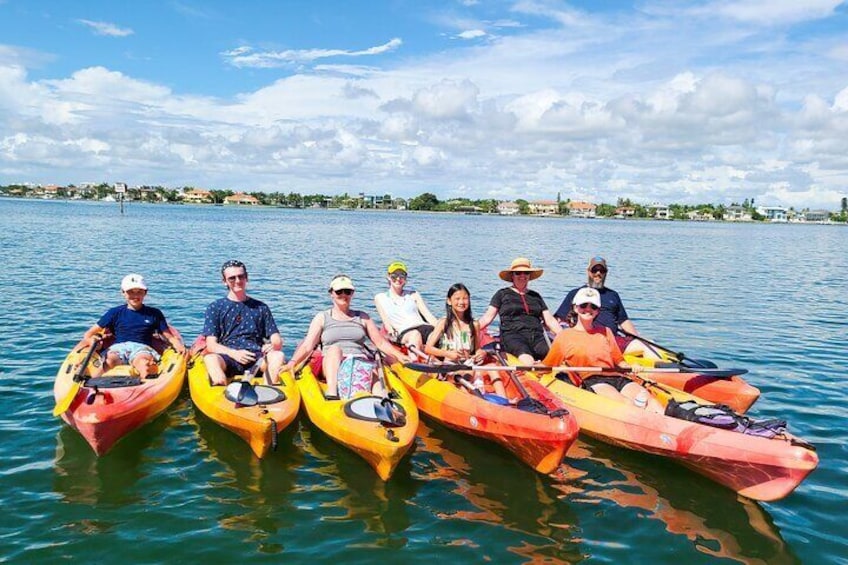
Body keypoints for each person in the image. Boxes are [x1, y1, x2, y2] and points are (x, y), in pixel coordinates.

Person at [283, 274, 412, 399]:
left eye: (347, 291)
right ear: (331, 294)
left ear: (352, 294)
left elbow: (381, 343)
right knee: (335, 349)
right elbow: (307, 345)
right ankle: (333, 393)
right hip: (331, 362)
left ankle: (382, 401)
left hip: (358, 361)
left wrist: (400, 356)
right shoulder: (322, 317)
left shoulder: (362, 317)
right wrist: (292, 363)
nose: (344, 295)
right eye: (339, 292)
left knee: (372, 372)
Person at [543, 287, 663, 413]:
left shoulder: (606, 332)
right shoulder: (564, 336)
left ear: (597, 311)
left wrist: (631, 366)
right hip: (593, 380)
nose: (588, 309)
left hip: (617, 376)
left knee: (651, 402)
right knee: (626, 404)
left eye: (593, 307)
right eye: (583, 305)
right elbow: (548, 365)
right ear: (575, 308)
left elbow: (619, 360)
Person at [554, 256, 659, 359]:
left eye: (602, 270)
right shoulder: (576, 294)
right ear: (588, 271)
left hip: (613, 340)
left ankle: (663, 371)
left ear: (606, 273)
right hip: (587, 340)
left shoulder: (613, 295)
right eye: (594, 270)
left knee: (649, 345)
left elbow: (623, 321)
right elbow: (558, 320)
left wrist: (638, 338)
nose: (598, 273)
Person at [83, 273, 185, 378]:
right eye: (130, 292)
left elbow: (168, 336)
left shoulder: (154, 313)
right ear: (123, 292)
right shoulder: (114, 312)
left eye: (139, 292)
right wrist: (92, 340)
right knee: (110, 360)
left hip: (142, 348)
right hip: (119, 347)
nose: (135, 296)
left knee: (143, 362)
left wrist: (177, 344)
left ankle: (145, 384)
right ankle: (90, 383)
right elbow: (89, 333)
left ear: (145, 293)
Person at [202, 260, 285, 386]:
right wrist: (234, 353)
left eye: (241, 276)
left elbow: (276, 339)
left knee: (278, 356)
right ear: (224, 281)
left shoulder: (261, 307)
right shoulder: (215, 308)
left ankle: (267, 390)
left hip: (256, 357)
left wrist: (273, 345)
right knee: (210, 359)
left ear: (246, 278)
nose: (237, 281)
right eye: (232, 278)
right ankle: (221, 390)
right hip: (228, 356)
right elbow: (211, 345)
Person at [424, 283, 507, 398]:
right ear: (449, 301)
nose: (461, 302)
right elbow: (428, 348)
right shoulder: (444, 323)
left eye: (465, 298)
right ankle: (470, 398)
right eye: (457, 299)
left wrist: (480, 353)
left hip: (468, 363)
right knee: (465, 375)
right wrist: (448, 354)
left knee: (492, 369)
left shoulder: (474, 324)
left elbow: (476, 349)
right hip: (449, 365)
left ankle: (504, 401)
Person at [478, 257, 562, 366]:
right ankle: (531, 371)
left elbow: (550, 320)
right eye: (518, 273)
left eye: (526, 273)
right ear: (512, 276)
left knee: (556, 355)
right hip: (513, 335)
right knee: (526, 358)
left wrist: (564, 335)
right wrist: (468, 329)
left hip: (537, 336)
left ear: (529, 276)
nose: (522, 276)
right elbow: (487, 318)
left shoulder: (535, 296)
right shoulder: (502, 294)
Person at [374, 261, 438, 357]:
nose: (398, 279)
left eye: (402, 275)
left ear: (405, 278)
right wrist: (391, 332)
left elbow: (428, 315)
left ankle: (438, 362)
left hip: (424, 327)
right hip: (405, 331)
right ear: (388, 277)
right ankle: (416, 365)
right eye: (394, 276)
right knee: (415, 335)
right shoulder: (380, 298)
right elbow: (386, 322)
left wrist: (441, 327)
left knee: (436, 332)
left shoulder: (413, 294)